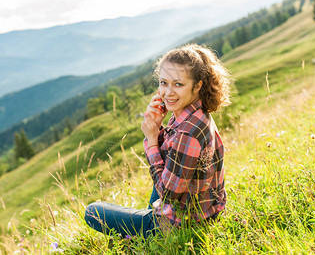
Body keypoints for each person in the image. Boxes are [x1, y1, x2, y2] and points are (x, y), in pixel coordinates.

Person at [84, 44, 231, 238]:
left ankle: (146, 233)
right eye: (163, 83)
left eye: (178, 84)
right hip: (205, 210)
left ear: (197, 86)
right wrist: (159, 128)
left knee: (93, 212)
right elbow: (174, 161)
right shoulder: (195, 113)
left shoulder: (187, 133)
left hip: (182, 225)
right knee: (163, 174)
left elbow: (169, 195)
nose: (167, 92)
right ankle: (141, 225)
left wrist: (152, 140)